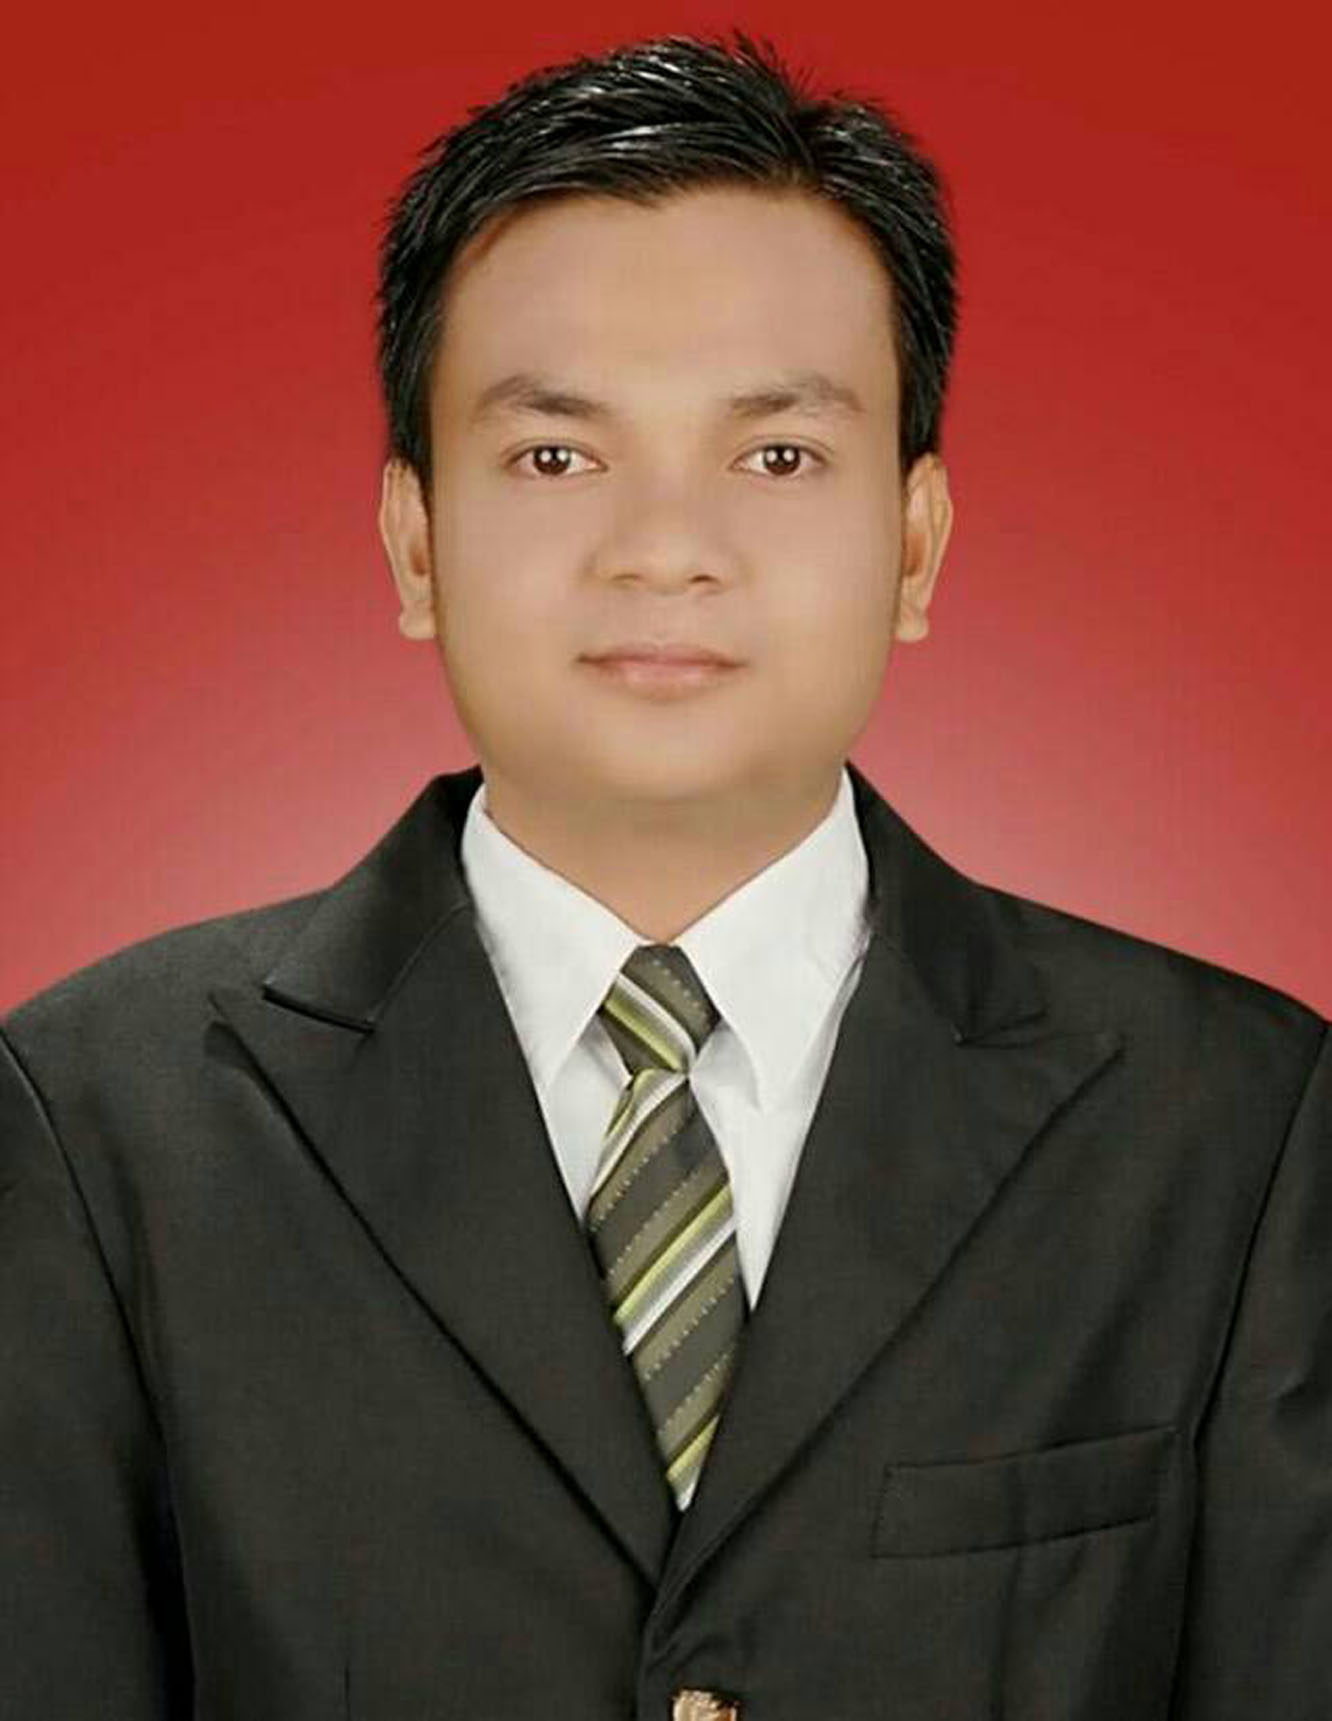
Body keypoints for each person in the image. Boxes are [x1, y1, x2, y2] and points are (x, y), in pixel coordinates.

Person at [1, 28, 1327, 1721]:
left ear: (916, 543)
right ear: (415, 541)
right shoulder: (97, 1122)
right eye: (557, 456)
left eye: (777, 456)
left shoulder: (1233, 1124)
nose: (665, 550)